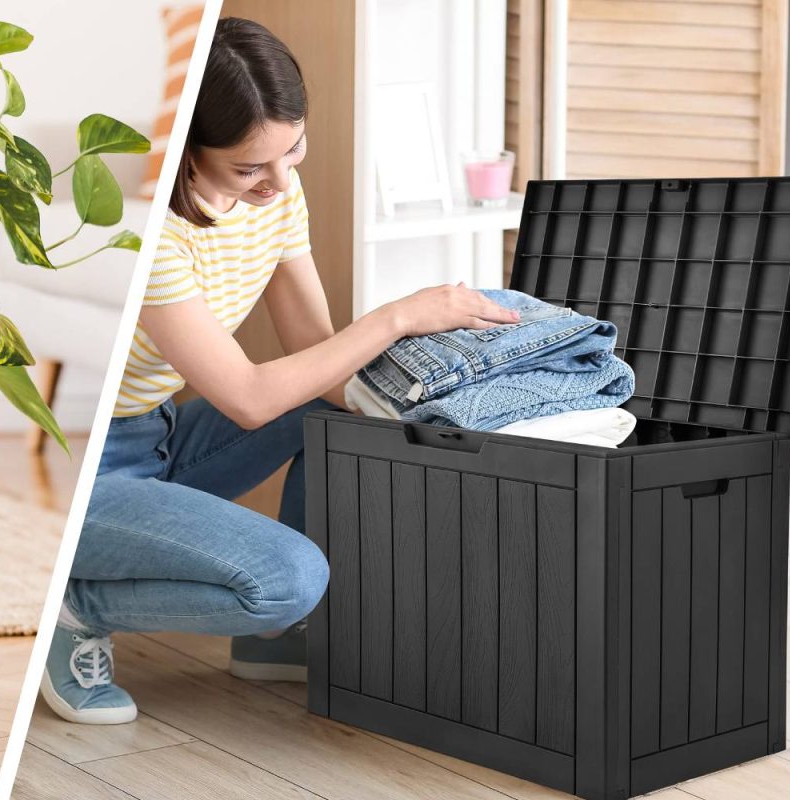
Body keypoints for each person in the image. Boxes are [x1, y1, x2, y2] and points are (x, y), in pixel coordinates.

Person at [41, 17, 520, 724]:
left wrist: (447, 397)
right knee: (287, 578)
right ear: (189, 155)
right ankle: (78, 606)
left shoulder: (277, 193)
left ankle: (272, 643)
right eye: (248, 168)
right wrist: (396, 316)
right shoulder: (158, 237)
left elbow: (317, 355)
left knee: (340, 401)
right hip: (96, 471)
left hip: (161, 437)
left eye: (292, 151)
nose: (276, 182)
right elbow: (247, 399)